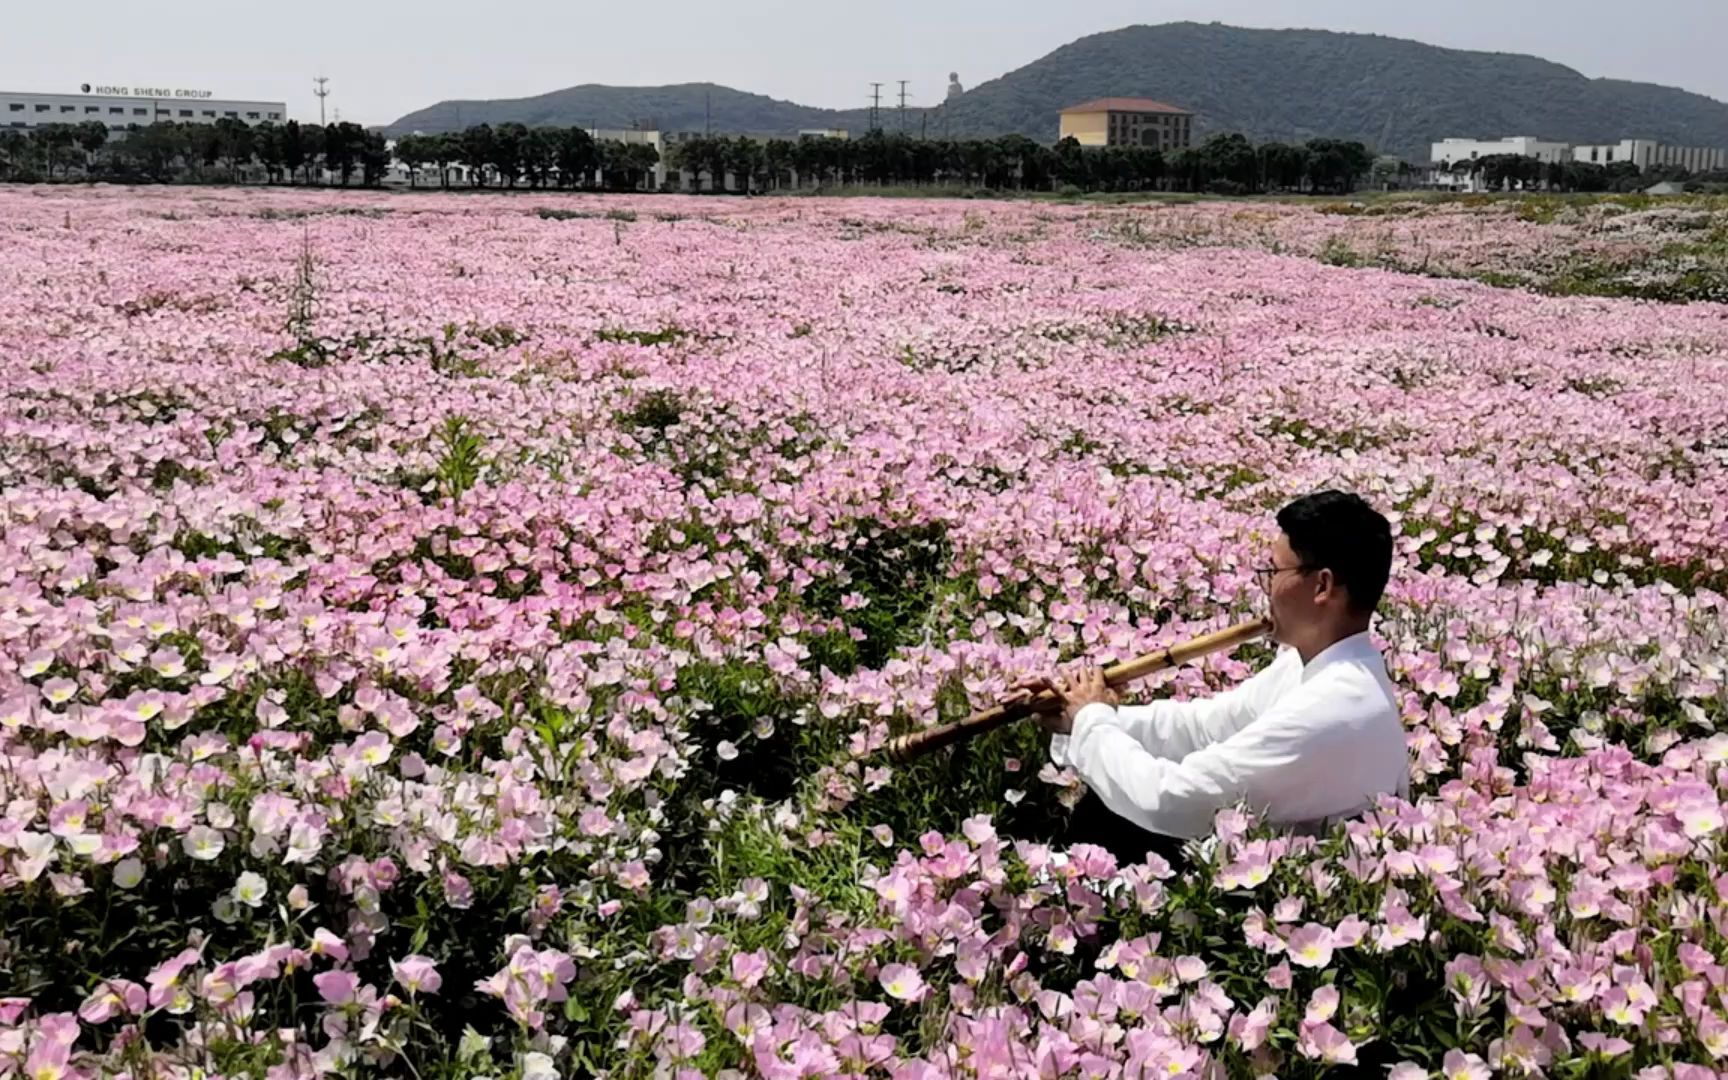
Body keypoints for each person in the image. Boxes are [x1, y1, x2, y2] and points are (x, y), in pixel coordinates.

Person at [1012, 490, 1409, 869]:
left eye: (1273, 571)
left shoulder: (1337, 706)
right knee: (1107, 795)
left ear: (1321, 586)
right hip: (1245, 863)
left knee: (1112, 811)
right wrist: (1082, 713)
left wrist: (1093, 721)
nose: (1266, 587)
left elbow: (1168, 799)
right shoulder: (1309, 665)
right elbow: (1206, 726)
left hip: (1266, 910)